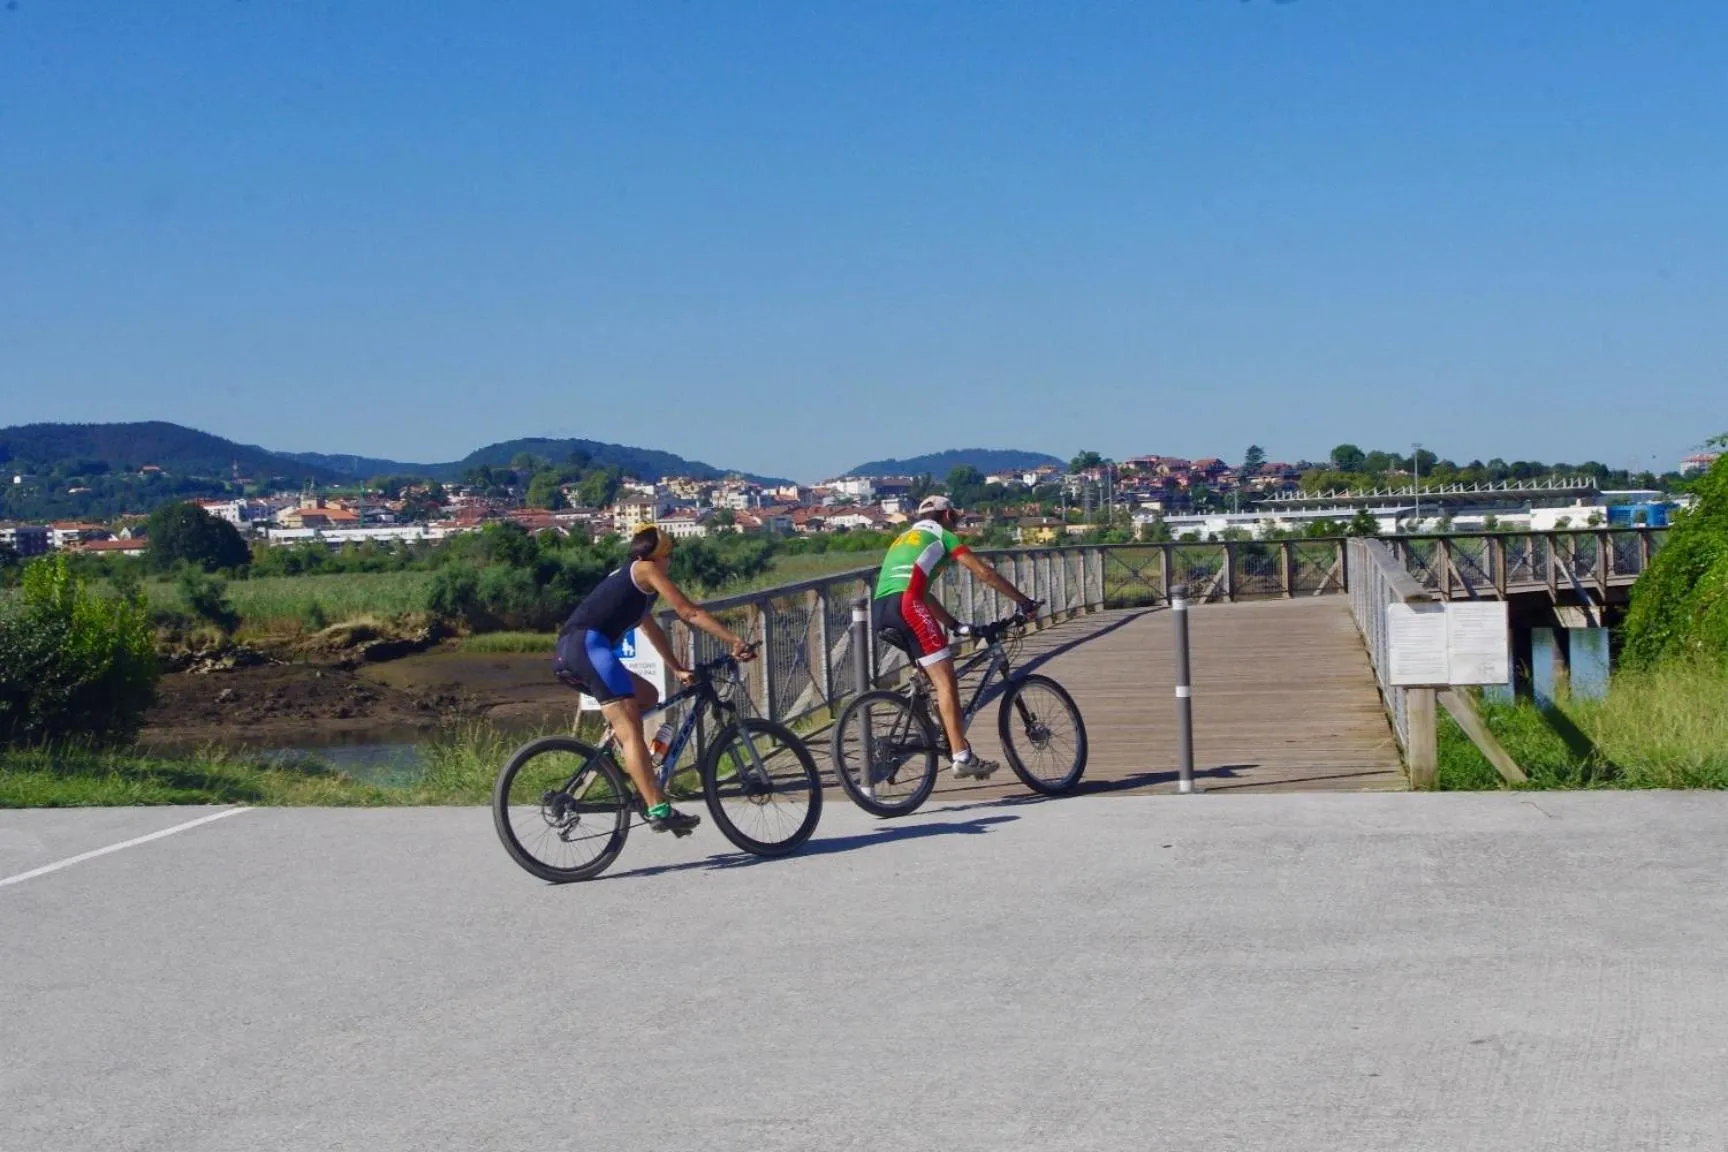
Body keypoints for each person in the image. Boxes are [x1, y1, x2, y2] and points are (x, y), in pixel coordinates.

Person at [554, 526, 753, 836]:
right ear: (659, 557)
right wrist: (734, 640)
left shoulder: (634, 586)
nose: (670, 563)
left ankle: (630, 762)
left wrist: (676, 668)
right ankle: (657, 807)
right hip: (588, 647)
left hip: (572, 651)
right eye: (669, 556)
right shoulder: (646, 570)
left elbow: (652, 631)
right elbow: (689, 612)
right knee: (631, 730)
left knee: (648, 693)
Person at [873, 495, 1038, 778]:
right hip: (908, 605)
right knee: (945, 680)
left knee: (930, 679)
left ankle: (943, 736)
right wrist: (1024, 602)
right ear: (947, 515)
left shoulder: (904, 537)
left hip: (880, 609)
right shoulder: (943, 535)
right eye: (957, 519)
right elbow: (983, 572)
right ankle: (962, 755)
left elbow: (922, 590)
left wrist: (954, 624)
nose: (958, 524)